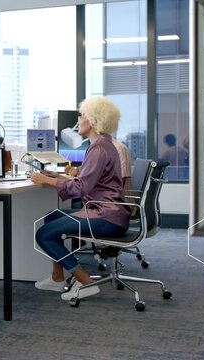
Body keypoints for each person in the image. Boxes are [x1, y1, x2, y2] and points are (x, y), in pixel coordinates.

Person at [31, 96, 130, 301]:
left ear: (93, 120)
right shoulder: (103, 143)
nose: (79, 118)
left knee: (43, 234)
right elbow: (89, 180)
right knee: (52, 217)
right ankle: (57, 278)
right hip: (109, 212)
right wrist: (60, 177)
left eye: (82, 115)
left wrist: (44, 179)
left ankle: (86, 282)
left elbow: (81, 188)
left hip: (105, 216)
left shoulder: (99, 148)